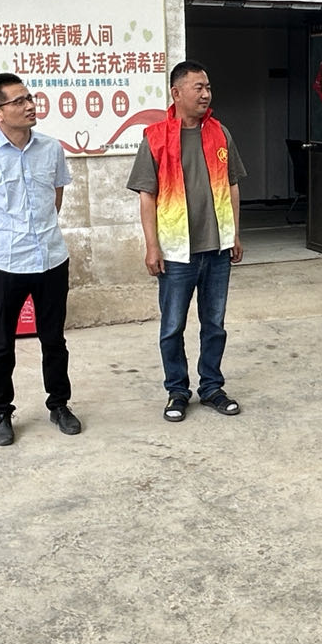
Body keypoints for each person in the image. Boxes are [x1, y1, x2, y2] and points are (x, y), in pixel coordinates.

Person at [0, 72, 80, 447]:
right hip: (5, 264)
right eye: (19, 101)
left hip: (51, 259)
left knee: (54, 340)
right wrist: (10, 232)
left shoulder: (51, 149)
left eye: (30, 98)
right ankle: (1, 413)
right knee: (1, 343)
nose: (30, 105)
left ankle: (59, 405)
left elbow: (55, 198)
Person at [128, 60, 247, 422]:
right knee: (172, 327)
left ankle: (211, 387)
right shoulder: (156, 137)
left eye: (208, 87)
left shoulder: (220, 133)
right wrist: (152, 246)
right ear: (176, 93)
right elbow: (146, 195)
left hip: (217, 249)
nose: (206, 94)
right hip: (176, 251)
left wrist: (234, 233)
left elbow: (232, 185)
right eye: (198, 87)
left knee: (215, 325)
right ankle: (177, 391)